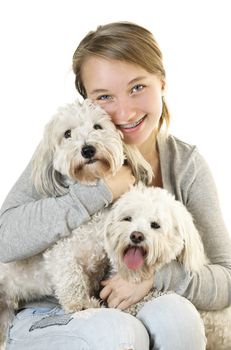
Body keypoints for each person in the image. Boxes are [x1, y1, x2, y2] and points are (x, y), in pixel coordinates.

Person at [0, 21, 230, 350]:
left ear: (162, 82)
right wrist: (97, 193)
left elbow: (226, 277)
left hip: (130, 304)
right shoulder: (63, 150)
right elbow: (4, 240)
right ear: (87, 101)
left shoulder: (185, 165)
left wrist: (156, 277)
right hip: (46, 311)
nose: (124, 111)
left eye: (137, 87)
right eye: (105, 96)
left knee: (179, 319)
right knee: (117, 334)